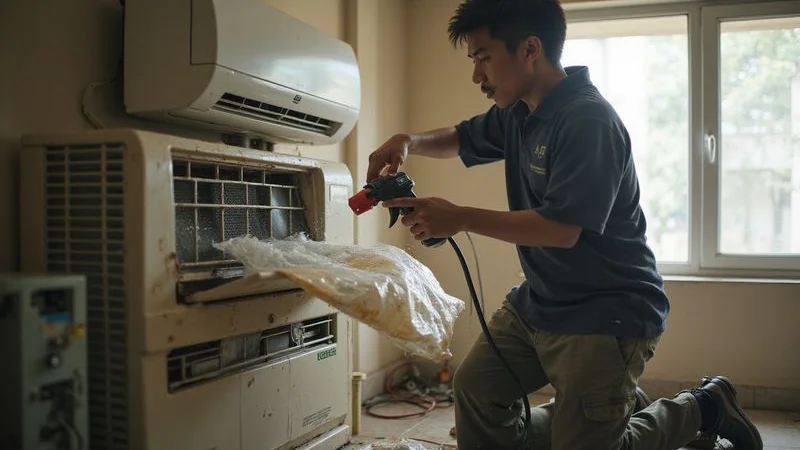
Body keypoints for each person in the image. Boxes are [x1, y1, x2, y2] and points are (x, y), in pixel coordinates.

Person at [366, 1, 763, 449]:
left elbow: (562, 229)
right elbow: (462, 137)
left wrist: (459, 218)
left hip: (606, 309)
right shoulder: (518, 111)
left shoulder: (587, 119)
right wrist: (407, 141)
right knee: (477, 389)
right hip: (538, 303)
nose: (477, 76)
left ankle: (703, 407)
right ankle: (606, 406)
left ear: (530, 49)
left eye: (483, 58)